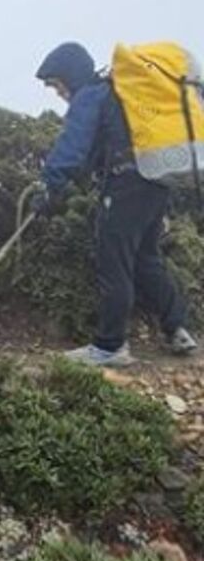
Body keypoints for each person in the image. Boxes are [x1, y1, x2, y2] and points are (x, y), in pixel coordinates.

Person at [32, 42, 198, 366]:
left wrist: (48, 185)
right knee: (145, 259)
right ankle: (177, 327)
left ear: (70, 74)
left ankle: (110, 346)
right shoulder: (116, 94)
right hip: (154, 180)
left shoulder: (91, 96)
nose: (58, 93)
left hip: (126, 184)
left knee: (114, 259)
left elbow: (73, 145)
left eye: (57, 84)